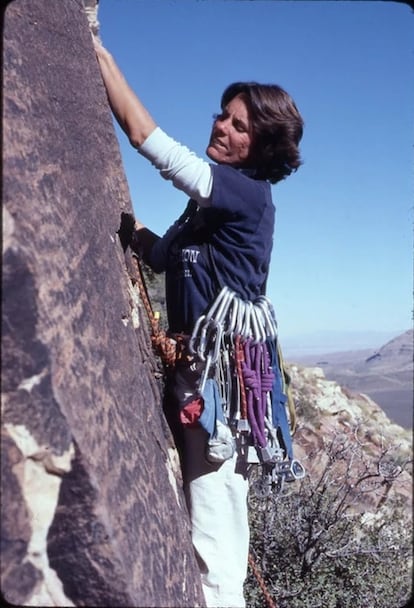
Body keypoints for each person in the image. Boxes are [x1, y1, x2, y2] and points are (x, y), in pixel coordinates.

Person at [93, 38, 303, 608]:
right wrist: (132, 234)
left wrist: (99, 57)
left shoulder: (246, 195)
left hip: (223, 387)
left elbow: (149, 143)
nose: (223, 128)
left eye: (240, 127)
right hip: (196, 373)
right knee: (208, 512)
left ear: (261, 149)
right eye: (223, 115)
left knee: (215, 528)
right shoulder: (207, 208)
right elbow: (167, 259)